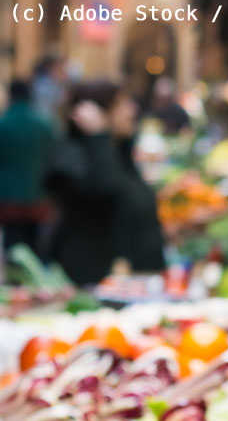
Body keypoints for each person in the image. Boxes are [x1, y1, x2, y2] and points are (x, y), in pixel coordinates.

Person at [48, 82, 166, 285]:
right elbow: (105, 189)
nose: (132, 110)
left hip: (136, 286)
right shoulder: (73, 157)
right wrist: (99, 135)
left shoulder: (119, 154)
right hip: (99, 287)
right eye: (121, 105)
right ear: (98, 114)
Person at [0, 80, 56, 256]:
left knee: (12, 242)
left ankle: (15, 278)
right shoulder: (45, 124)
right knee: (34, 244)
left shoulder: (4, 124)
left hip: (8, 196)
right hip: (38, 195)